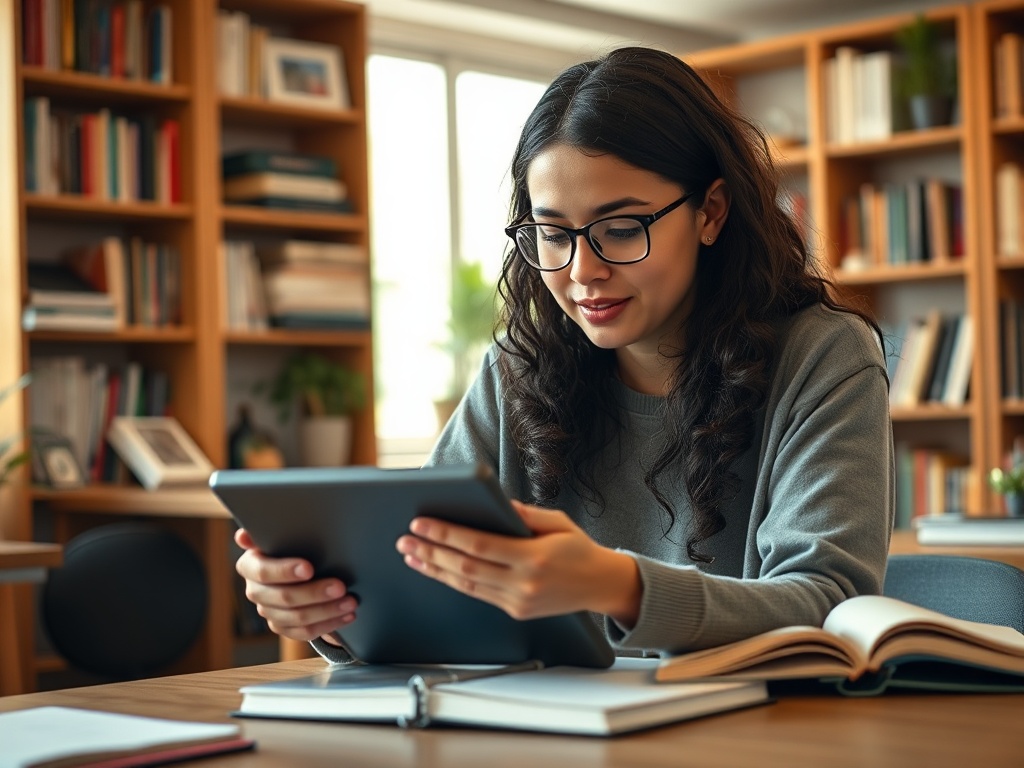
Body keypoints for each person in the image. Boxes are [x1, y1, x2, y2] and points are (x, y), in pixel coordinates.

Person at [235, 46, 894, 662]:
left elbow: (829, 606)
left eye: (620, 229)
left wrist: (620, 586)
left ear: (711, 212)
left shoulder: (825, 358)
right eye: (552, 234)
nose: (582, 271)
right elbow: (419, 579)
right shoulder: (517, 371)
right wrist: (329, 608)